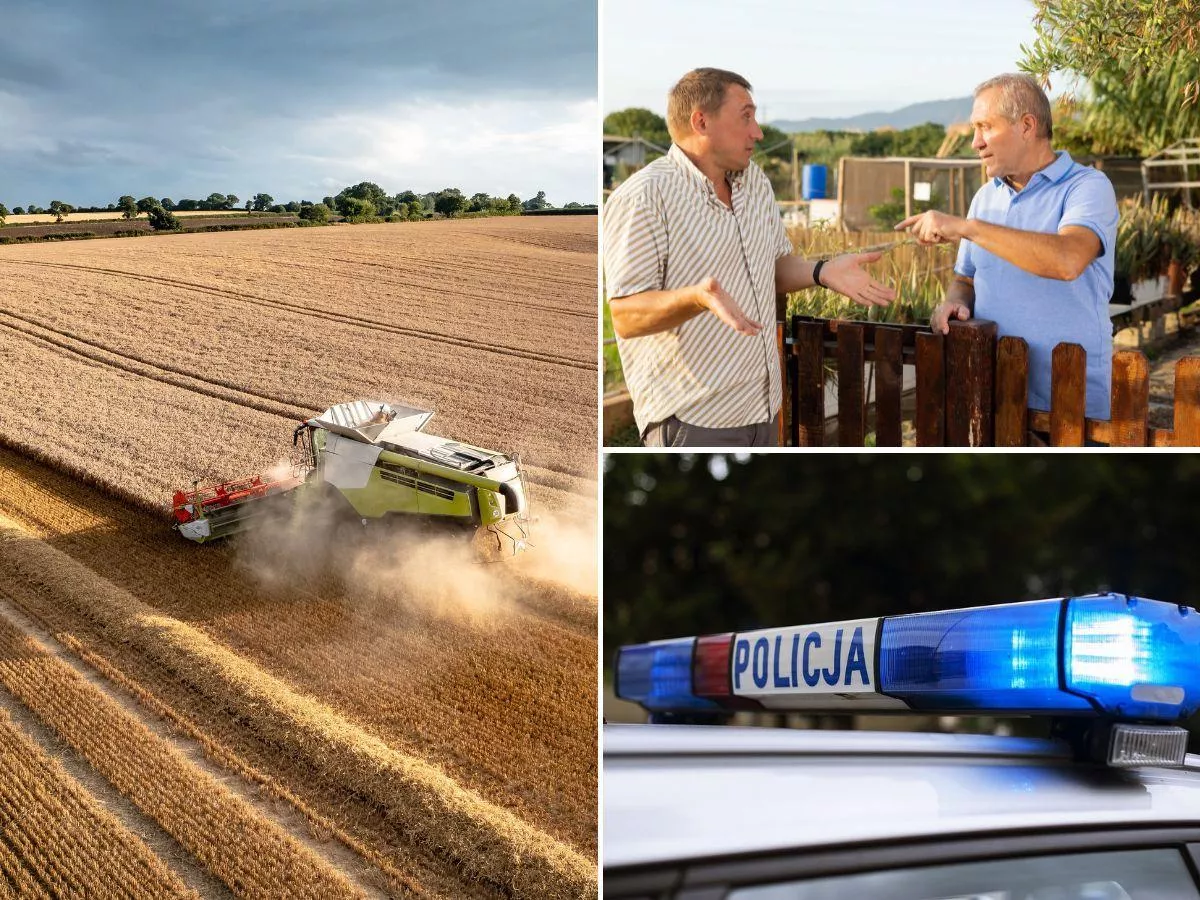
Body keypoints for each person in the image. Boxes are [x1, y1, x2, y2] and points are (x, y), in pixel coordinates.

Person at [604, 67, 895, 447]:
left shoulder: (755, 182)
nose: (757, 131)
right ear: (701, 121)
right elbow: (625, 316)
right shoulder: (644, 197)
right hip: (694, 420)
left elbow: (774, 266)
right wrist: (696, 297)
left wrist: (823, 271)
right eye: (746, 116)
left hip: (764, 410)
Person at [896, 72, 1118, 423]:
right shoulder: (985, 197)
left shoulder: (1087, 187)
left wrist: (968, 228)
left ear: (1027, 126)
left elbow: (1068, 259)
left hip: (1070, 398)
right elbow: (965, 279)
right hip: (994, 393)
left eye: (985, 126)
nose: (975, 142)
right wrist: (954, 301)